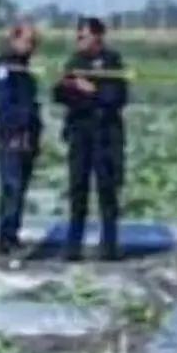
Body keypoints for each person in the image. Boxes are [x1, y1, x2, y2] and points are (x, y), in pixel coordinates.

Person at [52, 17, 129, 261]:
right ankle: (73, 245)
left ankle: (109, 245)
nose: (78, 40)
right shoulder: (75, 62)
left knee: (107, 190)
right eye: (77, 36)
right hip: (80, 133)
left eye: (83, 36)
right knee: (77, 189)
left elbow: (117, 96)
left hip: (106, 135)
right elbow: (60, 94)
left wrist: (91, 91)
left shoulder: (112, 61)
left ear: (97, 37)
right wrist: (66, 86)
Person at [0, 20, 42, 257]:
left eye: (34, 42)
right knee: (12, 186)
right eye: (28, 41)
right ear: (14, 39)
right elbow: (1, 105)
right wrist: (19, 127)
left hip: (28, 136)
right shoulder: (4, 67)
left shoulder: (25, 69)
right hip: (10, 137)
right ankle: (5, 238)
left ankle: (13, 235)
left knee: (21, 189)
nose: (32, 46)